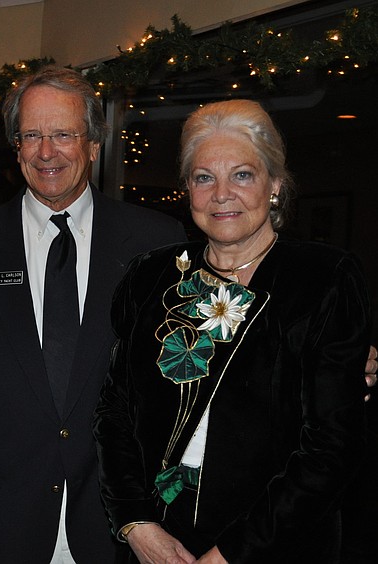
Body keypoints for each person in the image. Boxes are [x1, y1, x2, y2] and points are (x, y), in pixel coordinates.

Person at [94, 99, 372, 563]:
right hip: (156, 545)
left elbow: (331, 448)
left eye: (242, 174)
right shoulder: (150, 276)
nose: (222, 193)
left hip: (274, 546)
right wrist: (137, 524)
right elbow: (114, 412)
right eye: (204, 177)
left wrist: (231, 554)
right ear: (187, 189)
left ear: (276, 186)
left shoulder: (322, 279)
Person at [0, 66, 186, 563]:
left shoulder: (156, 243)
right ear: (16, 146)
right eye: (32, 136)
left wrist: (324, 351)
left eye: (64, 134)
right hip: (0, 528)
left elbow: (200, 355)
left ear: (93, 145)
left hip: (119, 529)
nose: (47, 152)